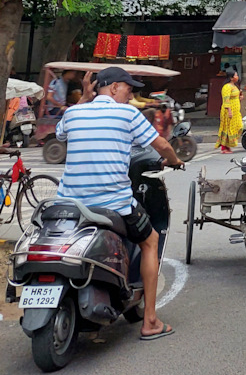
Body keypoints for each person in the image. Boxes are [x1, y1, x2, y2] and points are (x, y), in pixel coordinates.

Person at [55, 65, 184, 340]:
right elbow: (160, 145)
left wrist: (82, 99)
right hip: (113, 204)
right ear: (114, 88)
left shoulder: (74, 113)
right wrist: (174, 161)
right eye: (128, 89)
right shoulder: (127, 113)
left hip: (70, 204)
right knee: (149, 240)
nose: (130, 95)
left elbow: (59, 134)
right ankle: (150, 321)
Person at [217, 68, 242, 153]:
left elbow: (235, 97)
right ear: (231, 78)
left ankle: (228, 145)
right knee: (227, 128)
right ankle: (224, 148)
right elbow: (226, 99)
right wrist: (229, 111)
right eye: (235, 75)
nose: (237, 77)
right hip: (228, 111)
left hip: (236, 111)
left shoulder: (234, 86)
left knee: (239, 126)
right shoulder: (227, 87)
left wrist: (240, 98)